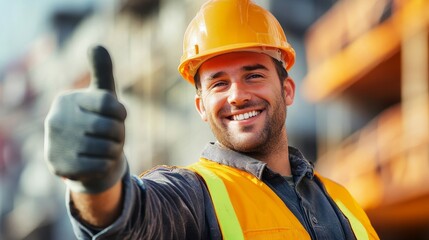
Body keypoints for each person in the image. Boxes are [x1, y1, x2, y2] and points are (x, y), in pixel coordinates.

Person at [44, 0, 380, 239]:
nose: (236, 95)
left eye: (253, 75)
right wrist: (94, 183)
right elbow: (129, 219)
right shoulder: (192, 195)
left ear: (288, 90)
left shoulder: (342, 201)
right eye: (219, 83)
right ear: (201, 106)